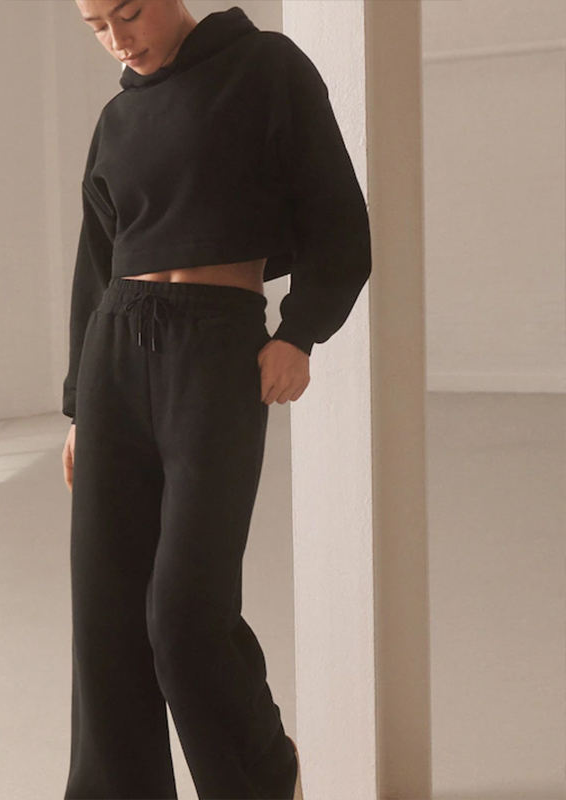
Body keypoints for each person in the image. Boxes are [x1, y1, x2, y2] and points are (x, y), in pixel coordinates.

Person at [61, 1, 371, 798]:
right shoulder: (116, 118)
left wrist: (300, 331)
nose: (117, 39)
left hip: (216, 348)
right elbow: (96, 262)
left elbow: (339, 216)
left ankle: (262, 774)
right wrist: (78, 409)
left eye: (128, 13)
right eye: (96, 26)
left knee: (185, 616)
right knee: (106, 615)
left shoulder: (265, 68)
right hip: (114, 353)